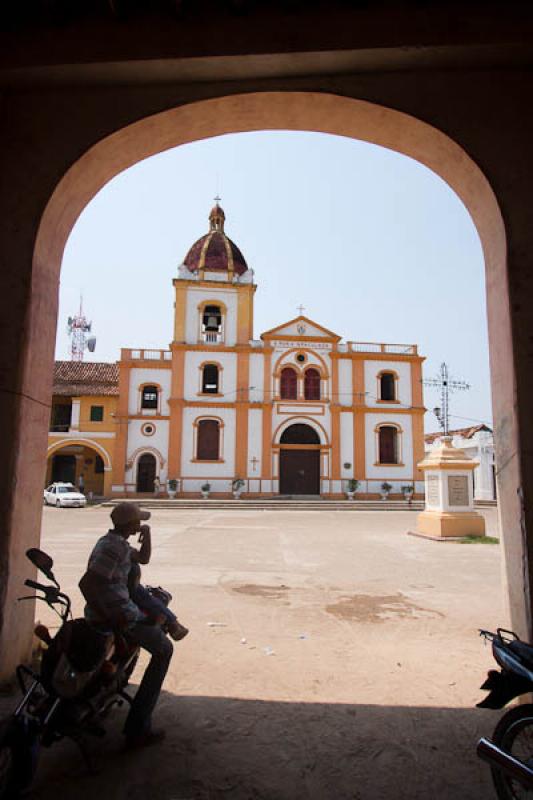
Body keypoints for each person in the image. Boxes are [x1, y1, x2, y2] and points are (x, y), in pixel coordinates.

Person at [79, 502, 174, 749]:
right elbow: (87, 584)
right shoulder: (113, 548)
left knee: (152, 611)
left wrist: (148, 535)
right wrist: (111, 618)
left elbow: (143, 558)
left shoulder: (116, 543)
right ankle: (138, 727)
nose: (140, 524)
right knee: (164, 651)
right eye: (138, 522)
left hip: (119, 611)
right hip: (119, 616)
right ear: (130, 524)